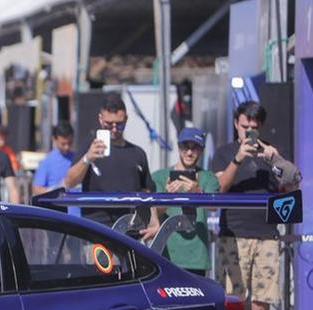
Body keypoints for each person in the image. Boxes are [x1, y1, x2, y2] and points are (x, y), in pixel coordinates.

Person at [214, 101, 299, 310]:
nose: (248, 133)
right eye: (244, 127)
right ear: (235, 124)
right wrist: (238, 158)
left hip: (266, 235)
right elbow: (219, 187)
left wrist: (275, 160)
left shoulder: (269, 153)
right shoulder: (224, 152)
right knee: (232, 303)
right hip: (233, 234)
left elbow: (292, 184)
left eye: (253, 128)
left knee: (261, 302)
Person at [62, 93, 153, 226]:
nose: (114, 129)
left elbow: (148, 192)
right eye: (109, 124)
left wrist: (153, 222)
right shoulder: (90, 147)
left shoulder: (138, 154)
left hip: (130, 229)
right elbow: (69, 182)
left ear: (126, 119)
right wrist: (87, 158)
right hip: (96, 229)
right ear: (100, 119)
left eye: (119, 124)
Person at [146, 127, 218, 277]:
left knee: (197, 300)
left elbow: (213, 206)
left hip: (197, 257)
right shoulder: (159, 176)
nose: (189, 152)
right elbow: (155, 212)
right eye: (185, 146)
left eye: (195, 147)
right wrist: (167, 196)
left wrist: (197, 192)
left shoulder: (208, 177)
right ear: (178, 147)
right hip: (166, 254)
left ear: (202, 150)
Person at [31, 122, 76, 196]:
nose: (67, 147)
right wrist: (55, 191)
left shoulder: (78, 158)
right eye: (63, 144)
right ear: (54, 139)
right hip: (57, 205)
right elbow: (37, 189)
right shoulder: (47, 161)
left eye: (69, 143)